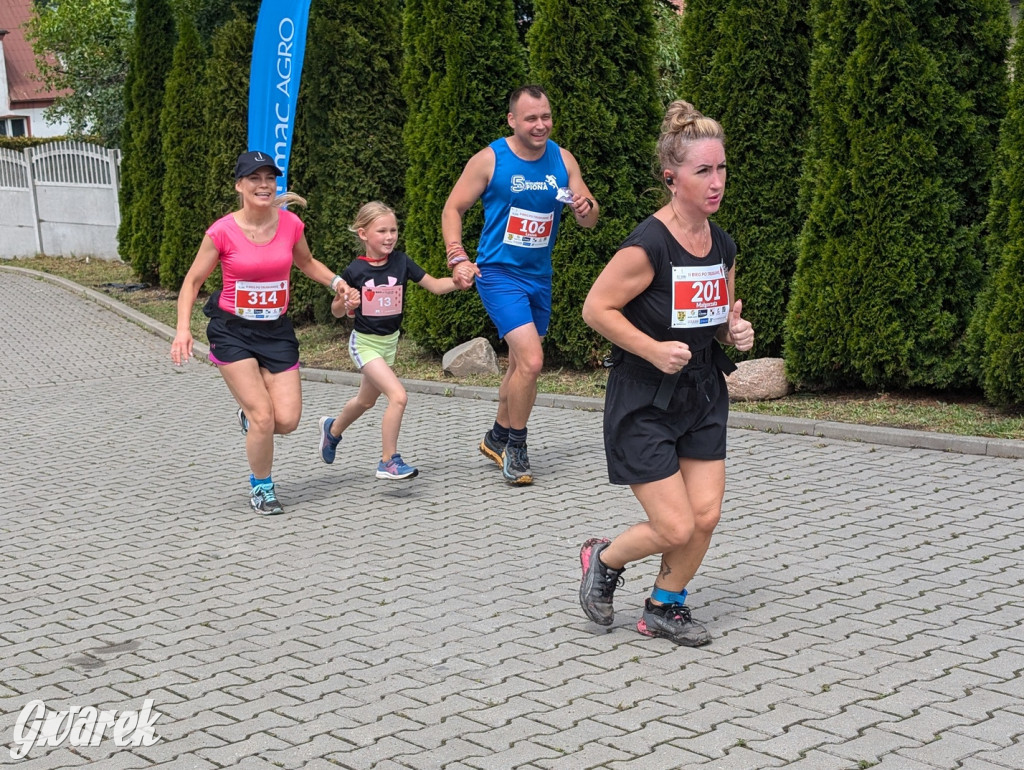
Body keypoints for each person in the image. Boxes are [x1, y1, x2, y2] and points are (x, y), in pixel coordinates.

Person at [577, 101, 754, 646]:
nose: (716, 181)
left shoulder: (720, 243)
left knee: (705, 515)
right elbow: (595, 309)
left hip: (701, 392)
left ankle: (664, 605)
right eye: (703, 171)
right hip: (644, 399)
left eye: (721, 168)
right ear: (671, 178)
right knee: (674, 525)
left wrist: (732, 332)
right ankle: (602, 560)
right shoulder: (647, 245)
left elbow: (713, 320)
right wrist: (652, 349)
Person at [170, 150, 357, 515]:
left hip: (276, 331)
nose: (263, 185)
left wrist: (336, 282)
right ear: (239, 185)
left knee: (286, 421)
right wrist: (182, 330)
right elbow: (192, 281)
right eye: (254, 178)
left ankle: (250, 419)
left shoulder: (290, 225)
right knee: (264, 417)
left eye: (269, 178)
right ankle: (262, 488)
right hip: (232, 331)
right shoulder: (221, 231)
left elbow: (306, 262)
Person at [442, 84, 599, 485]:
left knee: (517, 365)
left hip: (538, 276)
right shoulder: (490, 159)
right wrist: (457, 255)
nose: (540, 125)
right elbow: (452, 208)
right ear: (512, 120)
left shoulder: (563, 159)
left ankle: (496, 435)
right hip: (497, 273)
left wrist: (586, 207)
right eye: (531, 118)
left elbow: (589, 217)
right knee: (531, 360)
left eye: (545, 116)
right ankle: (516, 446)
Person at [317, 202, 464, 480]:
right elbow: (336, 312)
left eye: (393, 230)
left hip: (389, 344)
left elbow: (434, 285)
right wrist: (346, 301)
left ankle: (332, 430)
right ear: (363, 234)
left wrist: (459, 281)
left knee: (365, 402)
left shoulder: (401, 261)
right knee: (398, 396)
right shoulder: (355, 271)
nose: (389, 236)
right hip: (365, 344)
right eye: (382, 230)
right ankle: (388, 461)